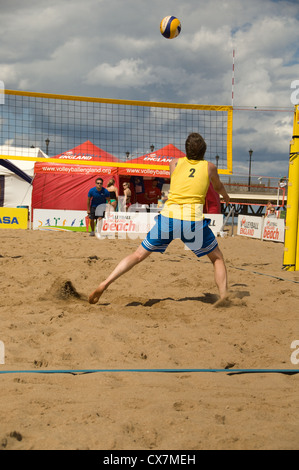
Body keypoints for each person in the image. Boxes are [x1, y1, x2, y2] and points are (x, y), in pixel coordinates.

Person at [89, 133, 230, 304]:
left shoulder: (174, 163)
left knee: (138, 255)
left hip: (169, 217)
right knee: (217, 258)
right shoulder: (210, 167)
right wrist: (225, 196)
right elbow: (218, 186)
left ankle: (104, 283)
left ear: (186, 149)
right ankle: (223, 296)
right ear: (204, 150)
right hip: (192, 220)